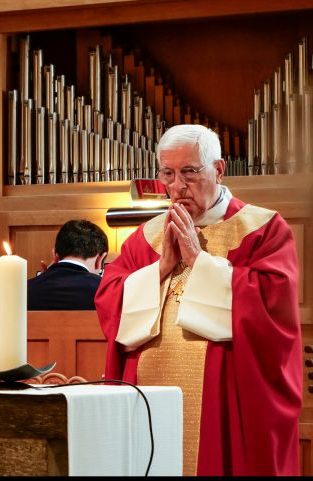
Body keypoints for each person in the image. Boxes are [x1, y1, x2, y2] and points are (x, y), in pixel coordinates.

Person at [94, 124, 301, 475]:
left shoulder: (262, 228)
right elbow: (110, 296)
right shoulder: (147, 237)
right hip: (149, 391)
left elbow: (271, 303)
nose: (176, 187)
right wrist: (160, 268)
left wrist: (200, 262)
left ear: (218, 169)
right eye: (167, 174)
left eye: (189, 172)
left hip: (223, 398)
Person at [28, 219, 108, 310]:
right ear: (100, 259)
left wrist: (41, 279)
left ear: (55, 255)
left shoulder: (24, 289)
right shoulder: (107, 291)